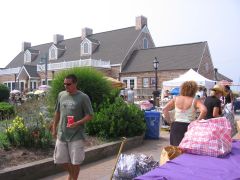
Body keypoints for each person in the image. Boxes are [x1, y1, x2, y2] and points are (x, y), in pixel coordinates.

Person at [51, 74, 93, 180]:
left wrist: (77, 123)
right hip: (62, 134)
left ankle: (73, 178)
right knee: (60, 160)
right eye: (64, 84)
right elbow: (57, 113)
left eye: (68, 84)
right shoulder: (61, 95)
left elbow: (90, 116)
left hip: (76, 135)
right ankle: (72, 176)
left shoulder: (83, 97)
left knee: (75, 162)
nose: (66, 86)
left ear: (75, 83)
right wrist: (54, 128)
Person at [163, 81, 207, 146]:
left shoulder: (176, 99)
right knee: (187, 151)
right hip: (189, 126)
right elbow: (204, 110)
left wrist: (170, 122)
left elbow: (165, 109)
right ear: (194, 90)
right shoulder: (195, 100)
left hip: (176, 125)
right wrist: (197, 122)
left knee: (175, 150)